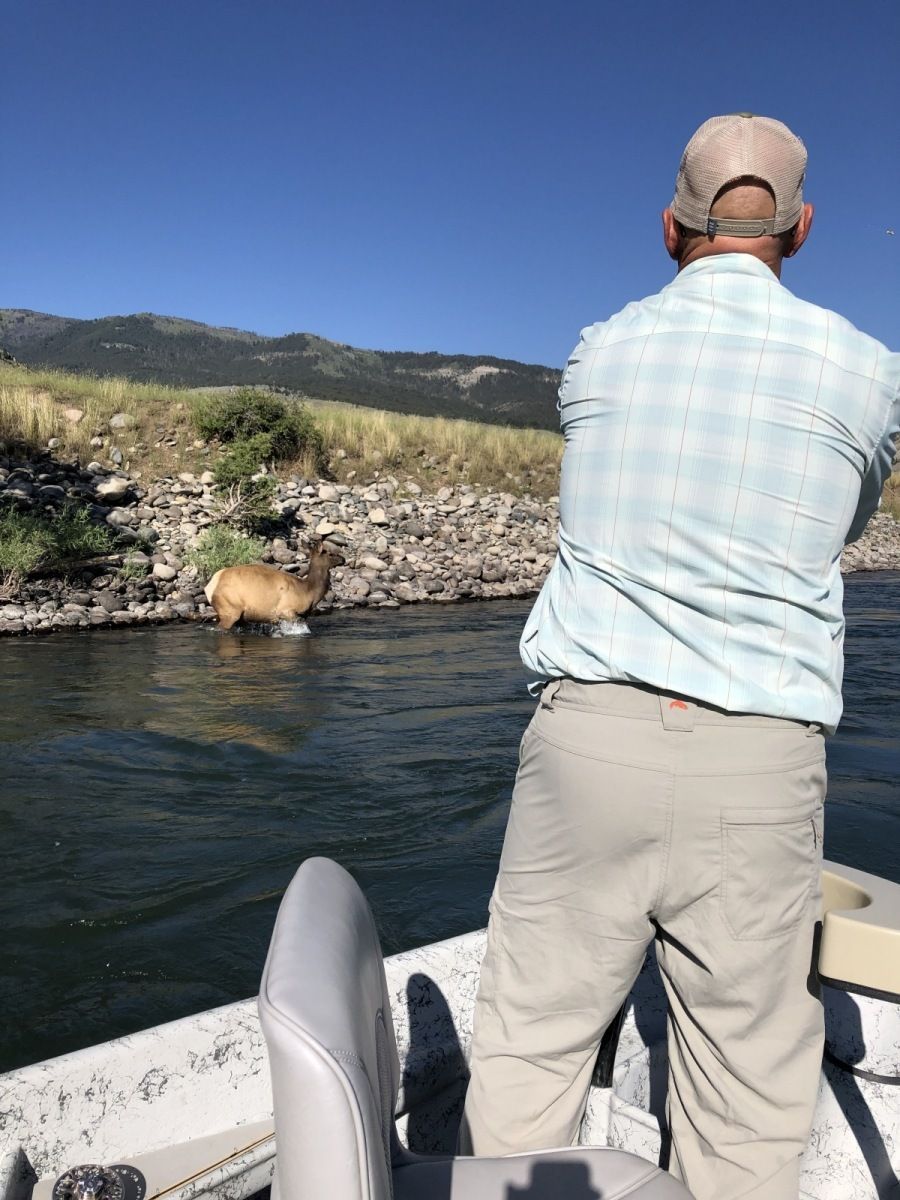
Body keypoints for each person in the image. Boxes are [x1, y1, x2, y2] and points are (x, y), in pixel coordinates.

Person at [460, 113, 900, 1200]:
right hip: (760, 763)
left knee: (531, 1047)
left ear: (670, 228)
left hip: (585, 745)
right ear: (801, 230)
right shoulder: (869, 369)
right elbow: (844, 522)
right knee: (747, 1094)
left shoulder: (600, 347)